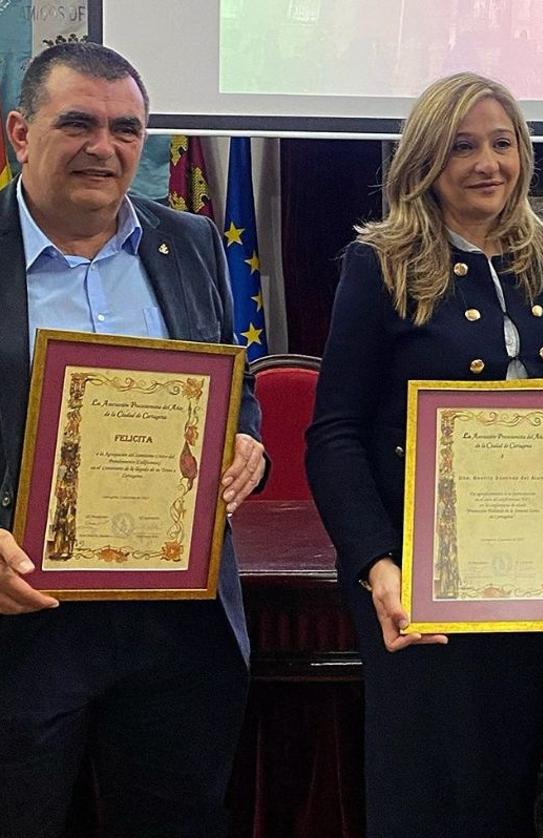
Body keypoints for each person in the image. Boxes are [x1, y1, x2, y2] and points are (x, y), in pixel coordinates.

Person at [304, 72, 543, 838]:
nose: (488, 163)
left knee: (502, 782)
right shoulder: (378, 263)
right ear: (426, 159)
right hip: (418, 584)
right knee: (425, 791)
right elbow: (334, 433)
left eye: (503, 144)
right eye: (463, 146)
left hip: (528, 576)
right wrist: (379, 568)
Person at [0, 42, 266, 838]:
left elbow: (235, 384)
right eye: (77, 122)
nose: (103, 147)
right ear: (19, 132)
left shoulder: (187, 241)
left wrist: (246, 443)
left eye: (127, 129)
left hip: (175, 623)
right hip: (21, 621)